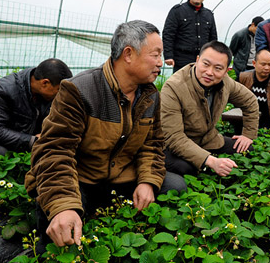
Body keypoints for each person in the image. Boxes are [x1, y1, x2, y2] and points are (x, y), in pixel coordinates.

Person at [25, 20, 185, 249]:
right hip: (82, 179)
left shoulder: (150, 96)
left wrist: (147, 182)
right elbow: (54, 151)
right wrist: (64, 205)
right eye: (156, 54)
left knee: (175, 186)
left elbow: (153, 145)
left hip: (120, 179)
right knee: (59, 217)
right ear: (128, 54)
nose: (161, 63)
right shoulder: (80, 90)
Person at [161, 41, 259, 180]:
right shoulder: (173, 87)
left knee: (246, 150)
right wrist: (212, 161)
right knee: (187, 168)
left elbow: (250, 100)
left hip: (208, 139)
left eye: (218, 68)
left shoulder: (226, 83)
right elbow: (174, 137)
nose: (209, 72)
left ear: (226, 71)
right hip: (175, 146)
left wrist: (248, 134)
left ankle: (208, 161)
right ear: (197, 60)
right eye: (205, 64)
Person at [0, 59, 72, 161]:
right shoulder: (1, 90)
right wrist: (32, 140)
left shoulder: (49, 97)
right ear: (45, 83)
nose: (60, 95)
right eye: (59, 90)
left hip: (32, 144)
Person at [163, 0, 217, 73]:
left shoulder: (209, 14)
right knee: (180, 85)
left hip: (202, 60)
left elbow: (213, 39)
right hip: (181, 59)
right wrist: (168, 56)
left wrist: (213, 56)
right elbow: (168, 34)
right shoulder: (177, 11)